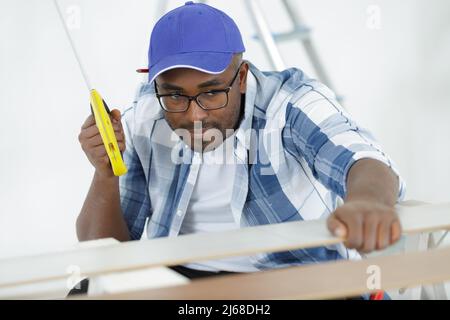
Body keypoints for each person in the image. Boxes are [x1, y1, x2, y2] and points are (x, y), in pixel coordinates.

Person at [75, 1, 405, 296]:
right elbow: (107, 254)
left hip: (298, 281)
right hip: (184, 284)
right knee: (85, 292)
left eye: (211, 92)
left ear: (242, 76)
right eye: (174, 95)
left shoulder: (290, 103)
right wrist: (105, 174)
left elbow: (363, 158)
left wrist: (367, 201)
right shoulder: (147, 115)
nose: (195, 115)